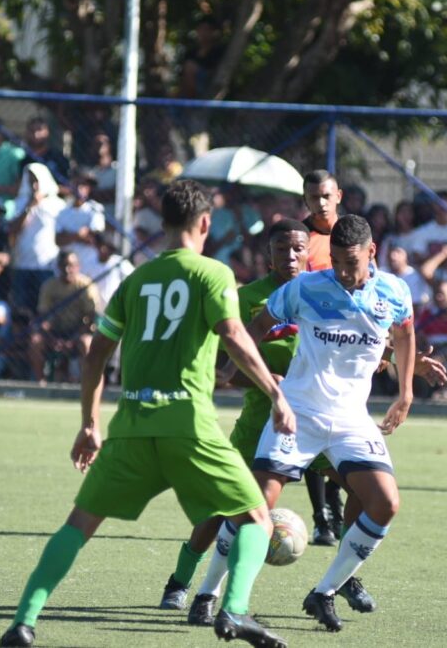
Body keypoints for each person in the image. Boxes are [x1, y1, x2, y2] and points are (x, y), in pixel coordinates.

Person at [0, 179, 295, 648]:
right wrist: (276, 395)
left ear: (163, 225)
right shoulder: (213, 273)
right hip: (189, 426)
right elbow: (235, 336)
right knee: (257, 518)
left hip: (131, 426)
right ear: (204, 223)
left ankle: (23, 621)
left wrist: (89, 424)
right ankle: (235, 612)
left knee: (79, 524)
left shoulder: (135, 279)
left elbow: (96, 355)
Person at [199, 215, 446, 633]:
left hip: (351, 420)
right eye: (335, 261)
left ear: (371, 253)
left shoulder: (395, 291)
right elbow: (256, 327)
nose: (344, 272)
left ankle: (325, 592)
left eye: (351, 262)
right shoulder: (305, 288)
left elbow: (404, 335)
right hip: (298, 413)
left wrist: (405, 392)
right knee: (255, 506)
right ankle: (207, 593)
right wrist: (230, 368)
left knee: (384, 503)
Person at [158, 219, 309, 621]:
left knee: (364, 490)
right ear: (268, 254)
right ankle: (182, 582)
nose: (290, 257)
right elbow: (220, 368)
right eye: (282, 249)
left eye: (298, 249)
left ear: (309, 251)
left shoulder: (321, 294)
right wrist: (267, 383)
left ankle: (337, 587)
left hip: (315, 424)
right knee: (222, 509)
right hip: (261, 424)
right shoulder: (247, 300)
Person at [298, 169, 348, 540]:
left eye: (326, 195)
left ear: (339, 196)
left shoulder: (354, 235)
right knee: (317, 428)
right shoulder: (301, 238)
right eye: (314, 196)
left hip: (349, 348)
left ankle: (337, 507)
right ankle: (321, 518)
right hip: (311, 346)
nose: (320, 203)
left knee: (342, 430)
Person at [28, 250, 99, 384]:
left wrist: (73, 339)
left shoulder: (86, 286)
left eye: (71, 265)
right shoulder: (49, 286)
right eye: (63, 265)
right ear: (58, 267)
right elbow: (43, 317)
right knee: (35, 341)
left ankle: (87, 384)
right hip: (55, 331)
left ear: (78, 266)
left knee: (86, 343)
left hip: (79, 331)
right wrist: (52, 339)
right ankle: (41, 384)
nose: (67, 269)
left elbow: (91, 318)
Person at [9, 164, 66, 311]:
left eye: (37, 180)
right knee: (21, 309)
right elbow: (13, 228)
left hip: (47, 265)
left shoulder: (58, 205)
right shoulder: (20, 203)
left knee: (44, 308)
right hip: (23, 265)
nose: (34, 185)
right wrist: (30, 206)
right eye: (30, 180)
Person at [55, 171, 105, 271]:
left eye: (83, 185)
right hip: (67, 268)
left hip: (89, 265)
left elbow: (94, 239)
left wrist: (69, 236)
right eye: (76, 184)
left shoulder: (95, 209)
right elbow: (58, 240)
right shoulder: (62, 212)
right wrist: (78, 235)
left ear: (89, 189)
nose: (79, 188)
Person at [23, 116, 70, 188]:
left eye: (39, 130)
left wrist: (47, 190)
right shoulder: (24, 160)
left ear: (47, 132)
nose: (36, 134)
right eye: (32, 131)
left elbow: (68, 187)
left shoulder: (58, 158)